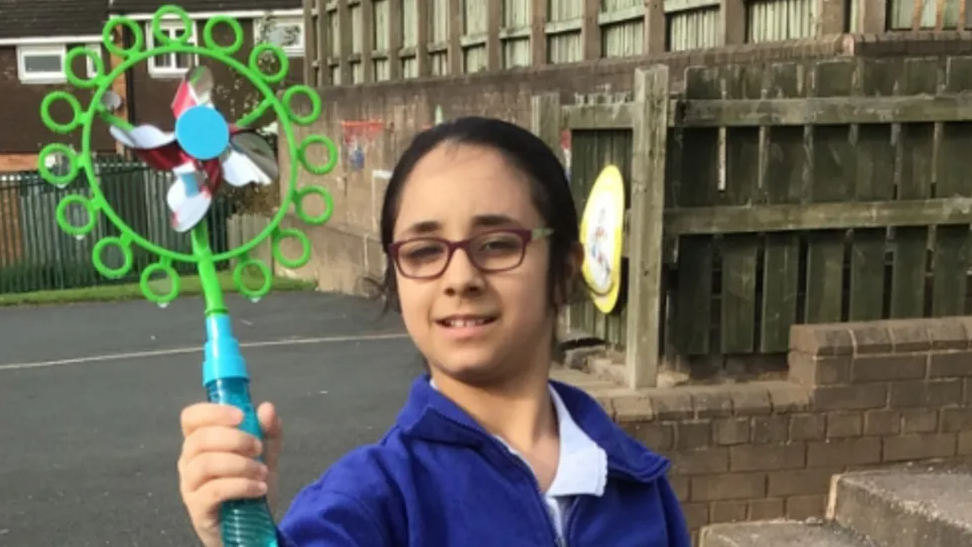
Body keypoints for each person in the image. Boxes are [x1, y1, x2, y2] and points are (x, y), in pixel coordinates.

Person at [177, 116, 690, 546]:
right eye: (424, 252)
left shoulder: (634, 481)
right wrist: (242, 531)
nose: (460, 278)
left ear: (563, 270)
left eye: (496, 243)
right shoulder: (370, 503)